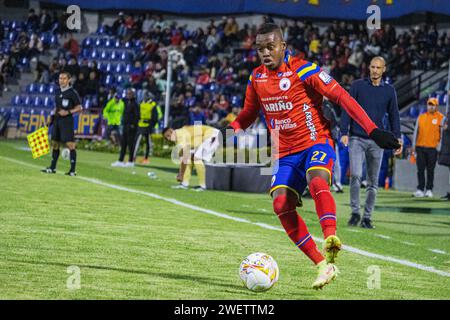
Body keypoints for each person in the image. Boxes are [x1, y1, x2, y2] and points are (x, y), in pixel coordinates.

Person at [221, 24, 400, 289]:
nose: (265, 53)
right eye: (260, 49)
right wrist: (233, 128)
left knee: (316, 180)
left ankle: (331, 238)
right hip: (285, 152)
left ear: (283, 46)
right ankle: (322, 265)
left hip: (316, 141)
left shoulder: (304, 69)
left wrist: (372, 130)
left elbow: (341, 97)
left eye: (271, 47)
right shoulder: (256, 78)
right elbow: (249, 112)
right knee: (281, 204)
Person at [340, 56, 402, 229]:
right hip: (356, 138)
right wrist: (344, 131)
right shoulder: (357, 86)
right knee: (356, 176)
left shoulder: (389, 91)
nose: (375, 70)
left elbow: (394, 115)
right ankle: (354, 213)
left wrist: (398, 138)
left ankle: (367, 217)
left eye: (378, 67)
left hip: (377, 141)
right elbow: (347, 108)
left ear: (384, 69)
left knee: (373, 182)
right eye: (373, 67)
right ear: (369, 68)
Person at [41, 72, 82, 176]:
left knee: (70, 144)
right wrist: (51, 117)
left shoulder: (72, 92)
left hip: (67, 121)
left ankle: (72, 170)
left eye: (64, 78)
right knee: (54, 143)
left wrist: (67, 112)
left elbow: (79, 107)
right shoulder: (57, 91)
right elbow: (57, 107)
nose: (61, 80)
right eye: (60, 78)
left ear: (69, 80)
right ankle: (52, 168)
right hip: (57, 120)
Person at [163, 125, 219, 191]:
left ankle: (203, 186)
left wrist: (181, 174)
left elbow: (184, 156)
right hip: (208, 137)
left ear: (171, 130)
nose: (169, 139)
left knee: (196, 158)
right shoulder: (178, 136)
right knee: (190, 159)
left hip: (213, 135)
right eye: (167, 138)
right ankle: (184, 184)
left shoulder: (180, 135)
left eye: (168, 136)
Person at [412, 97, 445, 198]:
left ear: (436, 106)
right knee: (420, 169)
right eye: (429, 104)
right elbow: (415, 132)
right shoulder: (421, 117)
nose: (430, 106)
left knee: (431, 170)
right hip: (420, 147)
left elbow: (442, 134)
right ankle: (420, 189)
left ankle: (429, 189)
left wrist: (439, 147)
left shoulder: (441, 118)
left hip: (432, 148)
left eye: (433, 105)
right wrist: (413, 146)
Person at [111, 89, 140, 167]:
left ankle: (131, 161)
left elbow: (137, 116)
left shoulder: (135, 104)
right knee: (123, 144)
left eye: (130, 94)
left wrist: (133, 125)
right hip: (125, 126)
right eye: (127, 94)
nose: (128, 95)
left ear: (133, 95)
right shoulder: (127, 102)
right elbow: (119, 99)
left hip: (131, 127)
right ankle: (120, 160)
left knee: (131, 145)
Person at [133, 94, 161, 164]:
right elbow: (137, 114)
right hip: (141, 124)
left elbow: (155, 117)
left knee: (147, 142)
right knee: (137, 141)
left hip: (148, 125)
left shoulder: (152, 105)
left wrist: (151, 125)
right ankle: (133, 156)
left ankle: (145, 158)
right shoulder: (141, 104)